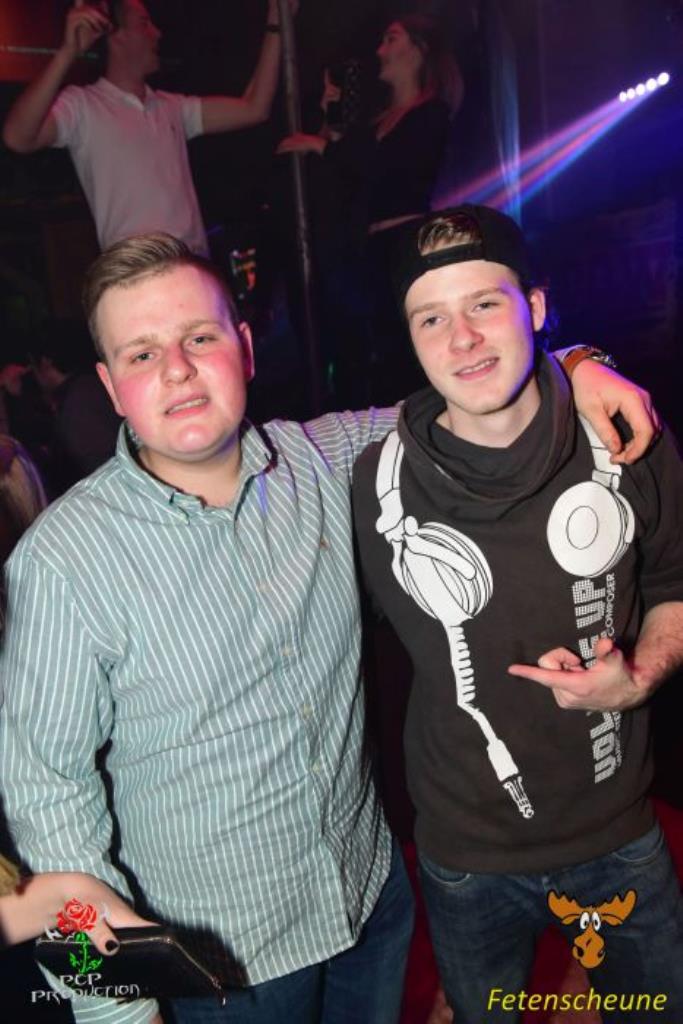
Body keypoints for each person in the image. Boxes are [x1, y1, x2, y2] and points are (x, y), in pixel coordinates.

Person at [0, 232, 658, 1024]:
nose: (176, 369)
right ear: (110, 386)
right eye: (141, 354)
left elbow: (481, 393)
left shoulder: (326, 458)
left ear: (244, 350)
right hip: (219, 966)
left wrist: (577, 361)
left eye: (199, 337)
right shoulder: (63, 561)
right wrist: (114, 1008)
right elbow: (45, 798)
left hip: (369, 909)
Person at [351, 205, 683, 1023]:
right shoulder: (372, 481)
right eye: (432, 318)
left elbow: (676, 581)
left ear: (533, 308)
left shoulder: (625, 437)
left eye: (483, 304)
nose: (462, 338)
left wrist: (640, 676)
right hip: (465, 856)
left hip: (618, 837)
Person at [2, 0, 295, 255]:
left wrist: (276, 21)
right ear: (114, 35)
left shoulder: (172, 107)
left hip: (193, 272)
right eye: (144, 23)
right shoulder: (84, 106)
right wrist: (67, 52)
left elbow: (254, 108)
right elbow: (18, 137)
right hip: (137, 280)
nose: (157, 32)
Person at [277, 14, 463, 406]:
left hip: (405, 244)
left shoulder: (430, 114)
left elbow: (386, 168)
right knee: (367, 353)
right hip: (367, 249)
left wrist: (322, 145)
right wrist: (328, 124)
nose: (380, 50)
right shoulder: (377, 122)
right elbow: (341, 174)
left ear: (418, 50)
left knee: (403, 349)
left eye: (391, 39)